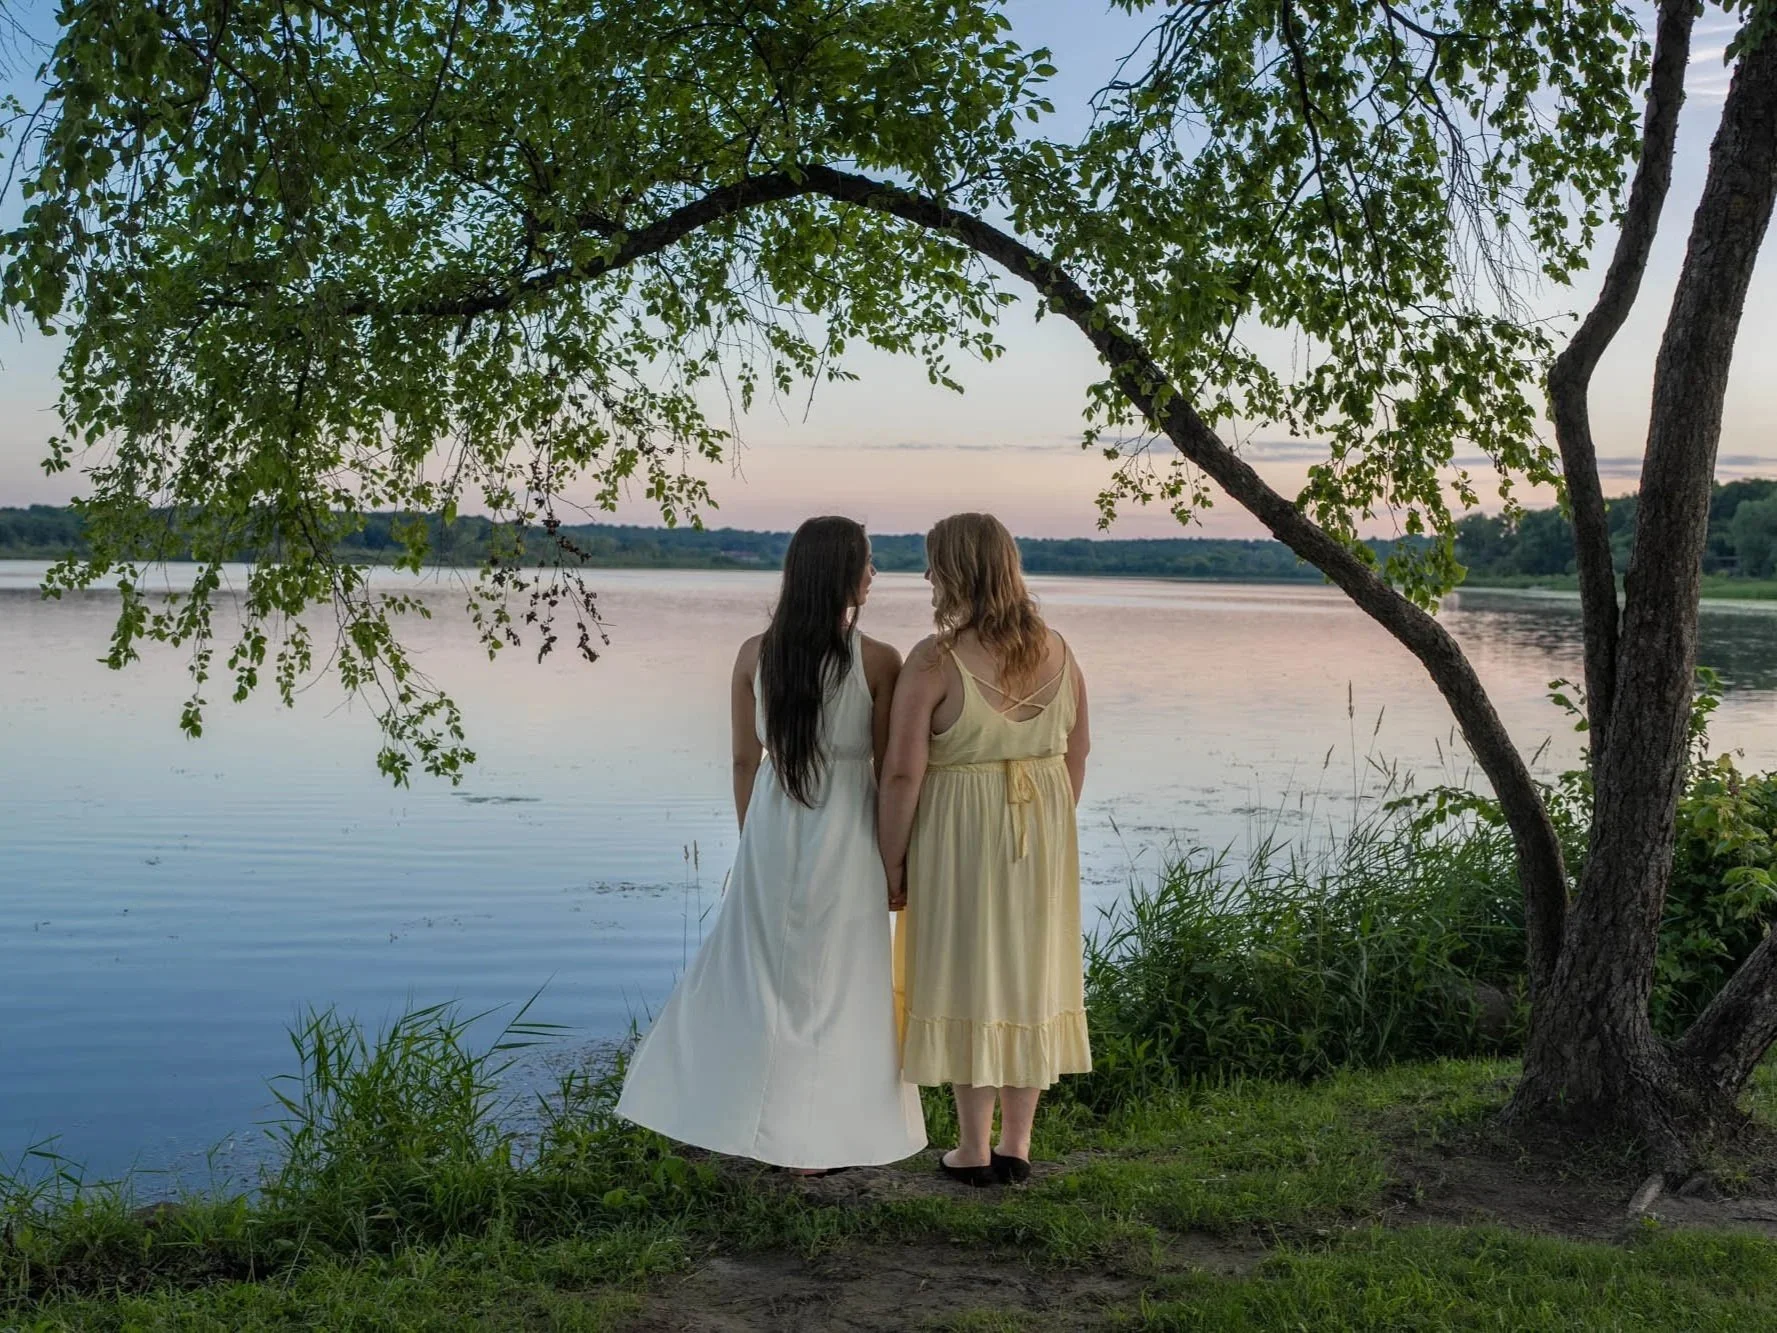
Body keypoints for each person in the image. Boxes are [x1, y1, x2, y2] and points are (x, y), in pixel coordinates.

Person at [617, 516, 926, 1172]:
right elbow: (887, 767)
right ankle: (823, 1136)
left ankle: (742, 1116)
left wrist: (751, 841)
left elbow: (741, 760)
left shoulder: (753, 654)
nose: (873, 574)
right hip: (847, 828)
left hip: (771, 823)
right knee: (841, 978)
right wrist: (894, 858)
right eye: (866, 563)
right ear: (840, 572)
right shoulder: (878, 661)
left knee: (758, 974)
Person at [879, 512, 1091, 1187]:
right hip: (1041, 835)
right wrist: (1048, 831)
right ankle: (1017, 1143)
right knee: (1027, 974)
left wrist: (891, 860)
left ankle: (972, 1147)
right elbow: (1076, 753)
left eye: (932, 562)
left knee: (967, 971)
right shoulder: (1059, 649)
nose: (924, 575)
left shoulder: (932, 660)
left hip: (958, 836)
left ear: (955, 572)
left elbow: (902, 773)